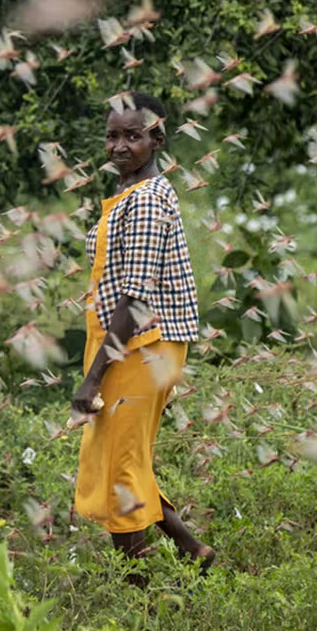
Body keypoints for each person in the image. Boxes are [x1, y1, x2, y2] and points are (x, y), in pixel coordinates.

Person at [71, 91, 212, 587]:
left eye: (133, 135)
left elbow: (136, 298)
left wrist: (92, 380)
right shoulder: (131, 195)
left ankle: (143, 603)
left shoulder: (149, 201)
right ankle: (192, 550)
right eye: (112, 135)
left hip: (143, 345)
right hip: (130, 344)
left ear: (157, 137)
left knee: (118, 473)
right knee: (124, 458)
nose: (119, 146)